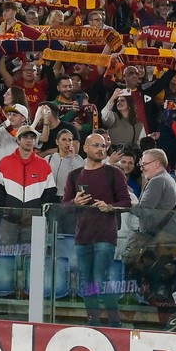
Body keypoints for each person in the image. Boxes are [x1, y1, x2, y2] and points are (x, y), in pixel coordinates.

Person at [64, 132, 132, 327]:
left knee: (100, 279)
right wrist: (75, 202)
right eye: (96, 146)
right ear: (85, 148)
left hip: (105, 235)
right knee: (86, 281)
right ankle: (93, 321)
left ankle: (114, 322)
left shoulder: (114, 173)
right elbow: (64, 206)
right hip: (83, 235)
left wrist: (111, 206)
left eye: (103, 146)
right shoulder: (75, 175)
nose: (101, 150)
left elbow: (126, 202)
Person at [129, 148, 176, 327]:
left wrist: (129, 201)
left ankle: (174, 311)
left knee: (156, 287)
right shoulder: (169, 180)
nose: (142, 167)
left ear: (156, 163)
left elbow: (144, 210)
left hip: (165, 244)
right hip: (173, 242)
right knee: (161, 287)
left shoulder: (157, 181)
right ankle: (167, 322)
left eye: (144, 164)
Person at [0, 127, 59, 253]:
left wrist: (37, 208)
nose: (29, 140)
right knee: (6, 257)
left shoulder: (43, 165)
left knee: (34, 258)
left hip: (35, 222)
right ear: (18, 140)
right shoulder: (5, 162)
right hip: (9, 220)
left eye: (32, 138)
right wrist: (7, 205)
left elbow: (51, 191)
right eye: (26, 137)